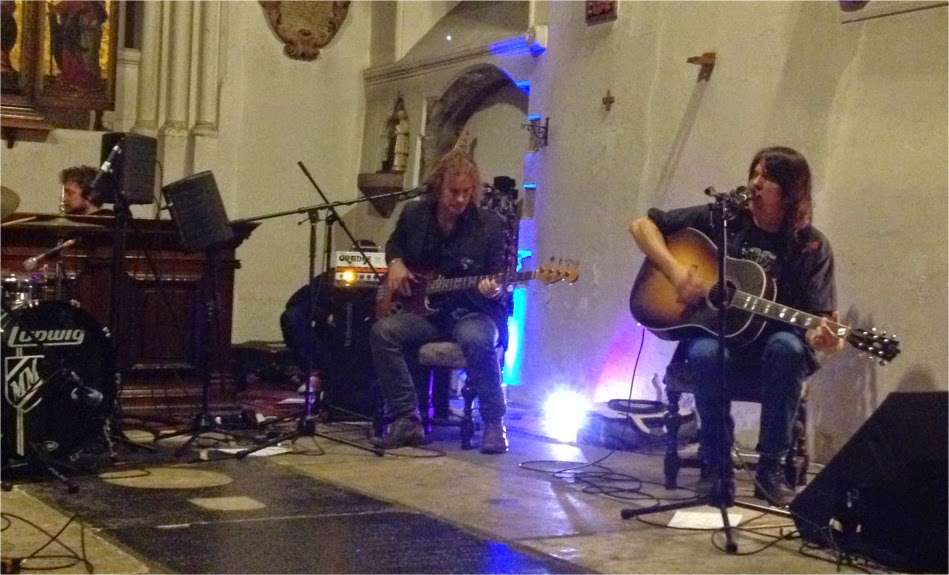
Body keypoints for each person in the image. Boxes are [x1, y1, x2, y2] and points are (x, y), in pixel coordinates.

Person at [629, 146, 845, 506]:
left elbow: (818, 322)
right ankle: (716, 467)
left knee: (788, 348)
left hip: (773, 348)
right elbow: (641, 226)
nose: (755, 183)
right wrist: (676, 272)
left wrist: (824, 338)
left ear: (791, 192)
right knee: (704, 351)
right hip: (720, 336)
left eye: (768, 177)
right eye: (754, 173)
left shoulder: (810, 246)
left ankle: (770, 470)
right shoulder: (725, 220)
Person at [369, 148, 509, 453]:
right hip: (427, 314)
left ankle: (494, 424)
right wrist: (395, 262)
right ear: (438, 187)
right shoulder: (414, 214)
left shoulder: (489, 226)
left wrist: (493, 289)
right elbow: (394, 244)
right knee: (383, 332)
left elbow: (499, 276)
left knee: (477, 338)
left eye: (466, 192)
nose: (460, 199)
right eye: (453, 192)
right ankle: (407, 419)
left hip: (472, 311)